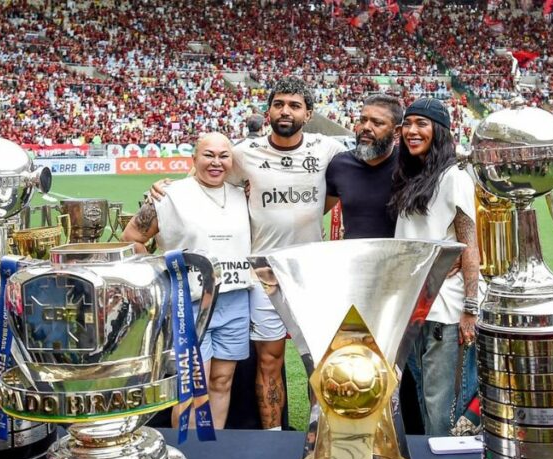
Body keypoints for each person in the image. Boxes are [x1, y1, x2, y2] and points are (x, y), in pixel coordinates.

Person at [151, 77, 345, 430]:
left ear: (309, 113)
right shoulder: (244, 153)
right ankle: (272, 434)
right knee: (268, 361)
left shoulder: (327, 149)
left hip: (311, 273)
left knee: (321, 360)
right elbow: (208, 169)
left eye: (295, 105)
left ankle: (323, 435)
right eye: (279, 104)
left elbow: (338, 191)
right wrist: (166, 186)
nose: (285, 111)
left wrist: (312, 212)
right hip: (261, 275)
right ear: (268, 110)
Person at [122, 133, 250, 429]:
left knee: (221, 381)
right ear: (194, 159)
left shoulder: (241, 193)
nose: (216, 162)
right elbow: (131, 238)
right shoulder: (170, 196)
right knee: (193, 388)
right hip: (189, 305)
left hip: (234, 299)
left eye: (223, 155)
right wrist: (163, 277)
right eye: (208, 155)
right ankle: (191, 453)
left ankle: (214, 449)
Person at [390, 98, 485, 437]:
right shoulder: (410, 176)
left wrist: (470, 309)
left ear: (439, 131)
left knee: (445, 409)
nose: (412, 131)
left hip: (447, 308)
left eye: (422, 124)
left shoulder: (454, 177)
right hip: (415, 306)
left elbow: (469, 245)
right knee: (426, 399)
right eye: (408, 124)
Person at [324, 93, 403, 239]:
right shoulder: (339, 165)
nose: (366, 127)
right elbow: (315, 213)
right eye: (363, 120)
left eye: (377, 123)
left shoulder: (409, 165)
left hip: (398, 260)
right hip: (353, 259)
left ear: (397, 132)